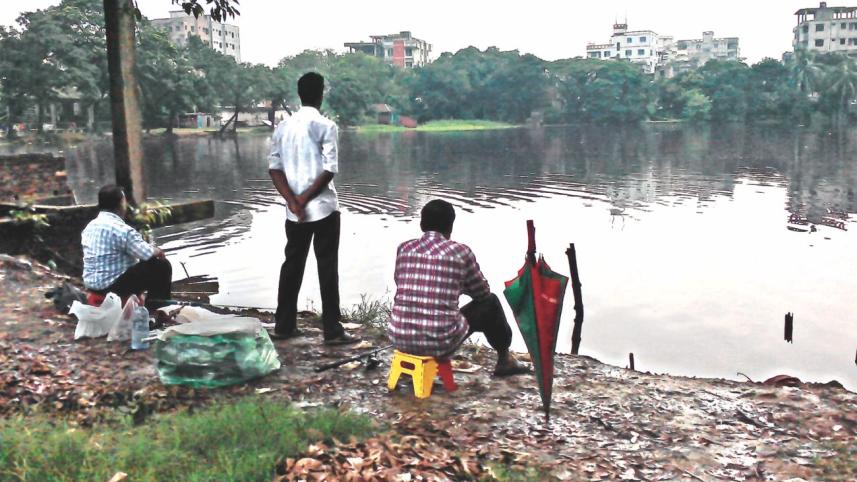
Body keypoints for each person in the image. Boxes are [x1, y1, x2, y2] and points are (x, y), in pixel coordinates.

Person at [388, 199, 529, 376]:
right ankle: (504, 360)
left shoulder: (404, 249)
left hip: (399, 337)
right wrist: (458, 286)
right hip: (439, 342)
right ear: (450, 227)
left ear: (422, 224)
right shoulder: (460, 253)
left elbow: (400, 283)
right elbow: (482, 293)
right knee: (491, 303)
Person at [268, 72, 358, 345]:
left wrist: (292, 201)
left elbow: (275, 169)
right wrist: (305, 199)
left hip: (293, 213)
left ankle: (283, 326)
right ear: (321, 94)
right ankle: (332, 329)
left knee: (292, 266)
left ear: (299, 94)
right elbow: (329, 169)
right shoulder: (326, 125)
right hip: (323, 210)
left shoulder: (283, 127)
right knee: (327, 268)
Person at [81, 185, 172, 309]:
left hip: (92, 286)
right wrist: (157, 251)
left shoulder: (89, 227)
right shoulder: (122, 230)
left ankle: (151, 305)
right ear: (120, 204)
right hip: (112, 289)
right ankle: (157, 309)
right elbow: (146, 253)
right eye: (124, 201)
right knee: (161, 265)